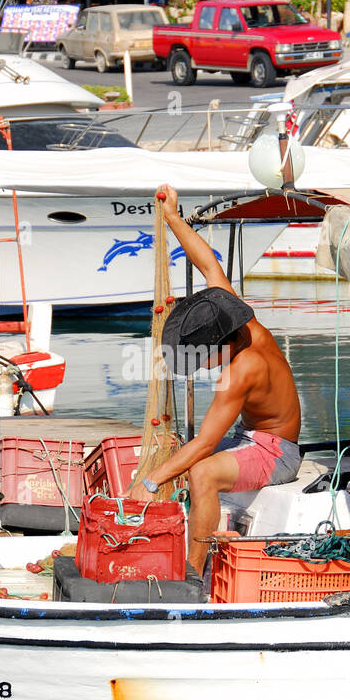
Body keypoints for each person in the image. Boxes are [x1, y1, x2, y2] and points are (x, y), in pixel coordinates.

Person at [131, 187, 302, 579]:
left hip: (277, 452)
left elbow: (206, 444)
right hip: (249, 435)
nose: (205, 364)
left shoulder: (243, 369)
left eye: (205, 356)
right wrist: (173, 218)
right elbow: (209, 265)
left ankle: (192, 574)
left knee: (199, 471)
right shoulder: (234, 317)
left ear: (223, 344)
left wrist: (152, 482)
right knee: (171, 455)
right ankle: (167, 540)